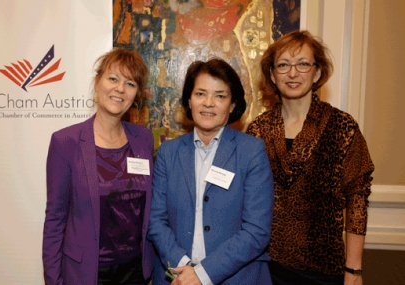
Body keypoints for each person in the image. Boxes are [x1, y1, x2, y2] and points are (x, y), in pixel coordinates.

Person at [246, 30, 374, 285]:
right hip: (264, 267)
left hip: (324, 271)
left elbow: (357, 199)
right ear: (272, 74)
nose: (293, 73)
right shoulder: (257, 130)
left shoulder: (343, 127)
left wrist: (354, 270)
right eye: (283, 65)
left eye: (303, 64)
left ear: (317, 73)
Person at [148, 58, 274, 285]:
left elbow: (257, 230)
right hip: (176, 277)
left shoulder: (251, 151)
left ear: (233, 104)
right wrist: (186, 270)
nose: (208, 103)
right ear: (189, 100)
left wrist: (203, 274)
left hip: (236, 278)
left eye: (220, 96)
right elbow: (156, 221)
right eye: (200, 94)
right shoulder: (168, 153)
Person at [42, 48, 155, 285]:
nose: (120, 89)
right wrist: (53, 281)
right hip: (87, 274)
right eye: (113, 78)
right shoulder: (66, 142)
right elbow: (55, 219)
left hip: (135, 272)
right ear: (97, 82)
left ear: (136, 94)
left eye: (130, 83)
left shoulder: (143, 139)